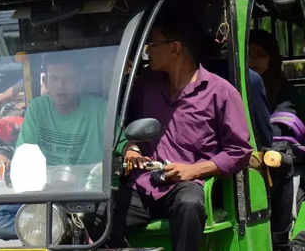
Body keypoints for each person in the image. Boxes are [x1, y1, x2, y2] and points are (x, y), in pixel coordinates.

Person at [106, 21, 252, 251]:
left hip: (185, 185)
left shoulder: (221, 92)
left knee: (190, 204)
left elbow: (240, 151)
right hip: (143, 184)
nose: (148, 51)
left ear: (175, 48)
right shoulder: (145, 86)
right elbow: (123, 124)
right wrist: (131, 147)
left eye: (153, 44)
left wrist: (193, 170)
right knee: (99, 213)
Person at [0, 52, 112, 240]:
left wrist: (132, 151)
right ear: (46, 82)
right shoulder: (37, 108)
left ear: (80, 81)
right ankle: (58, 227)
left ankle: (59, 227)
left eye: (69, 79)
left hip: (86, 196)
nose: (61, 86)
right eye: (55, 79)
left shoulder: (100, 109)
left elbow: (123, 145)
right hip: (46, 194)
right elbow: (25, 152)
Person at [249, 29, 299, 251]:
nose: (252, 60)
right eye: (248, 54)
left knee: (280, 161)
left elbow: (280, 128)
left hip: (281, 151)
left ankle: (279, 239)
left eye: (259, 54)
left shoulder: (285, 90)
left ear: (272, 58)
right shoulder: (239, 84)